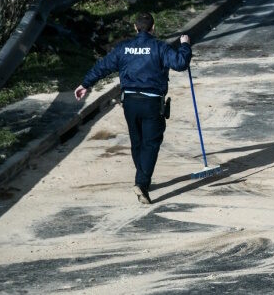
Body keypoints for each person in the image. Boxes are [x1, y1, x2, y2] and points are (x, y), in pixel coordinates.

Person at [74, 13, 192, 205]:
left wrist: (85, 84)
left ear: (135, 28)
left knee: (137, 142)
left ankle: (141, 177)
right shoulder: (160, 47)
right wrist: (185, 45)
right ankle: (142, 183)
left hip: (129, 103)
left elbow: (102, 67)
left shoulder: (123, 48)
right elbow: (180, 63)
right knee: (151, 143)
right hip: (152, 103)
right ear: (153, 28)